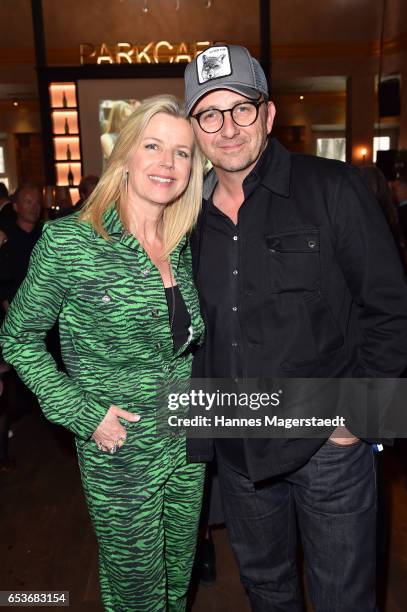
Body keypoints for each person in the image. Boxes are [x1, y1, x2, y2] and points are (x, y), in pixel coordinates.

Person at [184, 45, 407, 611]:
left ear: (269, 114)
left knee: (344, 600)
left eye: (242, 108)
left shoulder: (332, 188)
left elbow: (389, 306)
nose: (228, 127)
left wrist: (359, 421)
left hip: (327, 447)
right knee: (267, 591)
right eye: (210, 113)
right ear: (195, 128)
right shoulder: (186, 220)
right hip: (239, 454)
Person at [0, 94, 205, 612]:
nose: (168, 163)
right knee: (137, 594)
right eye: (153, 146)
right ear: (125, 155)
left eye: (182, 153)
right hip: (120, 445)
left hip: (187, 437)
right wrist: (83, 414)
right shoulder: (71, 241)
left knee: (178, 582)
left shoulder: (183, 240)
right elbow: (18, 337)